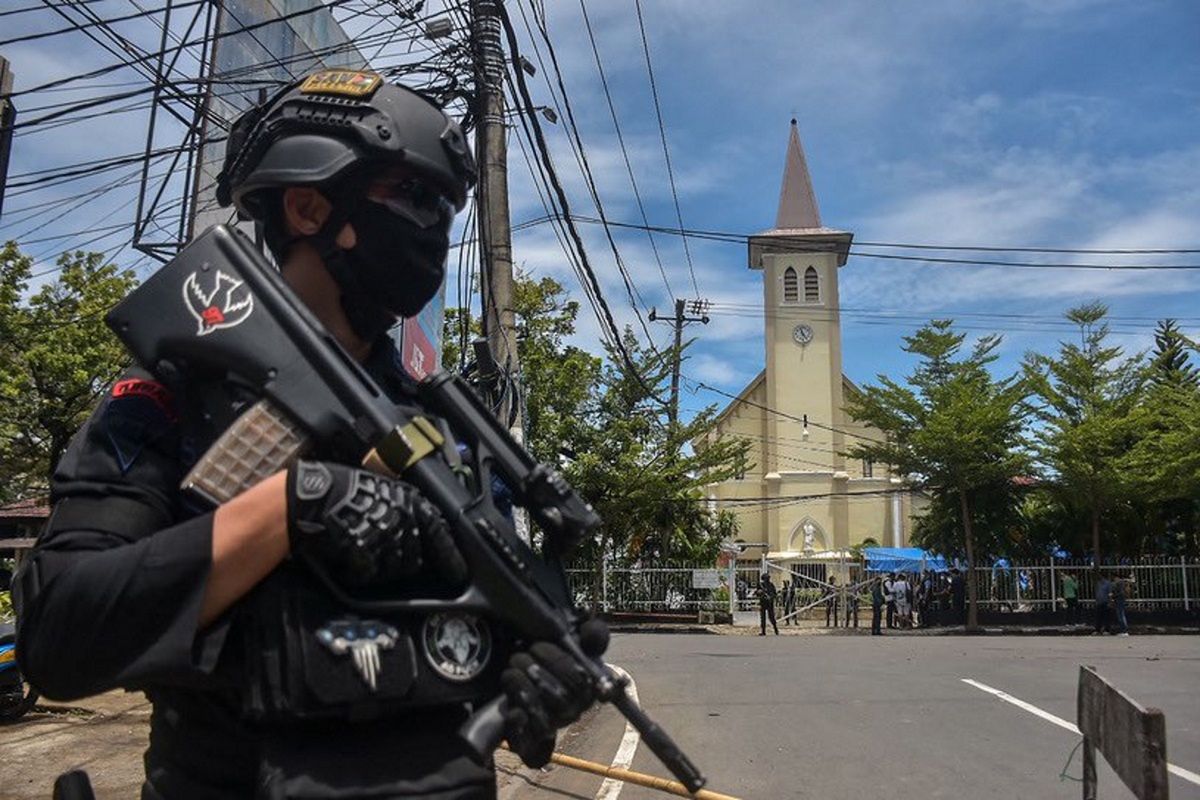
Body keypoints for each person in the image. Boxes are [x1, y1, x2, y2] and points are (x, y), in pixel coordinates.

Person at [14, 69, 605, 799]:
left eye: (448, 212)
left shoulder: (447, 433)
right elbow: (62, 637)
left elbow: (476, 651)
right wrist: (295, 508)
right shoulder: (170, 401)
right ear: (307, 206)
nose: (435, 235)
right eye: (415, 198)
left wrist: (532, 684)